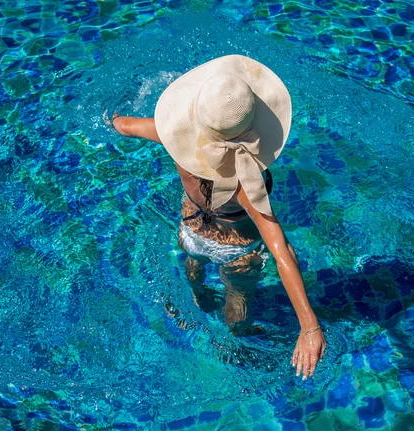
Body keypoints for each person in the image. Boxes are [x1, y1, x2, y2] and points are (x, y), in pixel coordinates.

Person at [106, 55, 325, 380]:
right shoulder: (245, 183)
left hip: (190, 233)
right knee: (237, 306)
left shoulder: (172, 134)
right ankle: (232, 346)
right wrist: (310, 326)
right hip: (235, 252)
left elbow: (125, 126)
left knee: (194, 270)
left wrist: (114, 119)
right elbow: (282, 251)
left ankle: (194, 300)